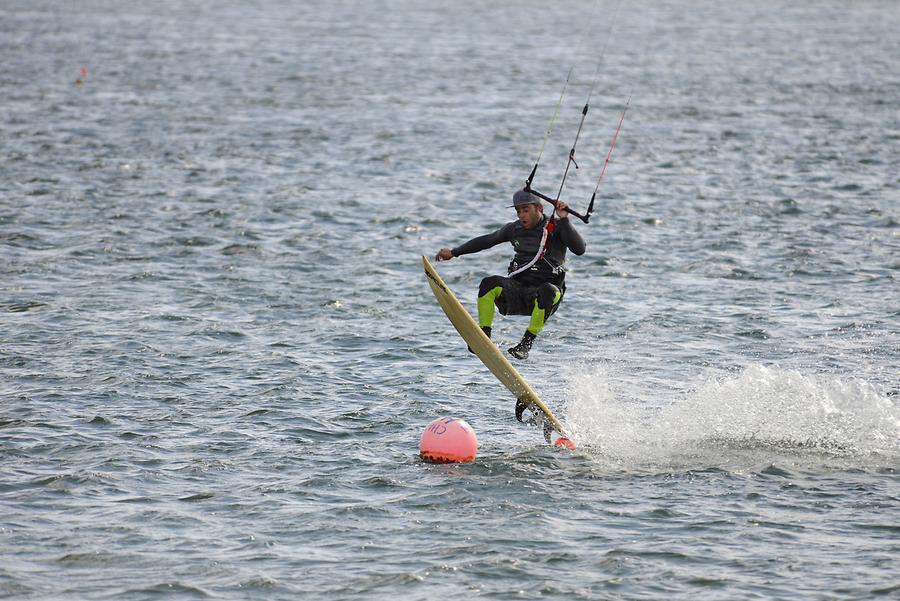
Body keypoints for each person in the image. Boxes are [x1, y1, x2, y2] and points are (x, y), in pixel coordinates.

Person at [435, 188, 586, 360]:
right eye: (518, 211)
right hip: (518, 292)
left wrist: (565, 220)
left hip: (545, 298)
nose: (521, 215)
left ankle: (525, 344)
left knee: (548, 290)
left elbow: (579, 249)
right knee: (488, 283)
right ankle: (484, 335)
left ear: (539, 209)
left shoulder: (556, 228)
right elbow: (487, 240)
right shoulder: (514, 229)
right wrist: (455, 252)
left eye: (526, 210)